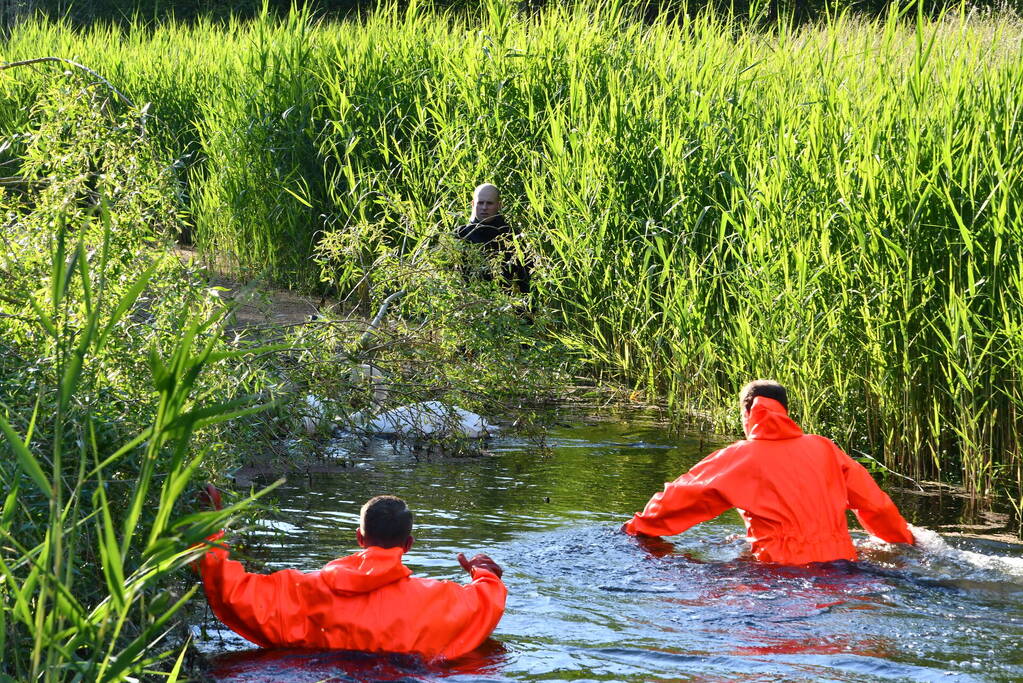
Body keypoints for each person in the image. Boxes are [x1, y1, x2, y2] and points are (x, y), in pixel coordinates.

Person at [621, 380, 915, 564]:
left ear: (746, 413)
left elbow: (680, 498)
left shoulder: (737, 457)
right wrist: (904, 542)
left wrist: (637, 529)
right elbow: (876, 505)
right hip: (840, 565)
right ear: (785, 411)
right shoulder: (825, 449)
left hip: (775, 571)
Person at [197, 490, 507, 659]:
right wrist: (484, 573)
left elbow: (229, 588)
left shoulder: (303, 588)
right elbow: (485, 604)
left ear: (359, 537)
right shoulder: (439, 597)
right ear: (408, 544)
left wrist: (211, 525)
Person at [455, 183, 530, 295]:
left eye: (489, 203)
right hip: (470, 301)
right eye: (480, 203)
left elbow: (525, 277)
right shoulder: (461, 234)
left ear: (499, 205)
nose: (484, 208)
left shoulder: (511, 236)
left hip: (505, 303)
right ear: (473, 204)